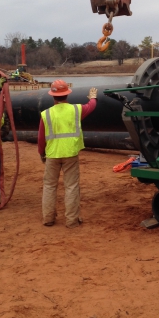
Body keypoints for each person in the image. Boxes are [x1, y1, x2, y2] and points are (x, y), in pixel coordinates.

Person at [38, 80, 97, 228]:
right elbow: (91, 107)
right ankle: (72, 221)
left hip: (52, 154)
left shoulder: (46, 114)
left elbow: (40, 138)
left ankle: (48, 219)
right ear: (67, 95)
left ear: (53, 96)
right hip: (70, 153)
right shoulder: (76, 110)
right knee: (71, 186)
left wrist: (41, 153)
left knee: (49, 186)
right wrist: (93, 97)